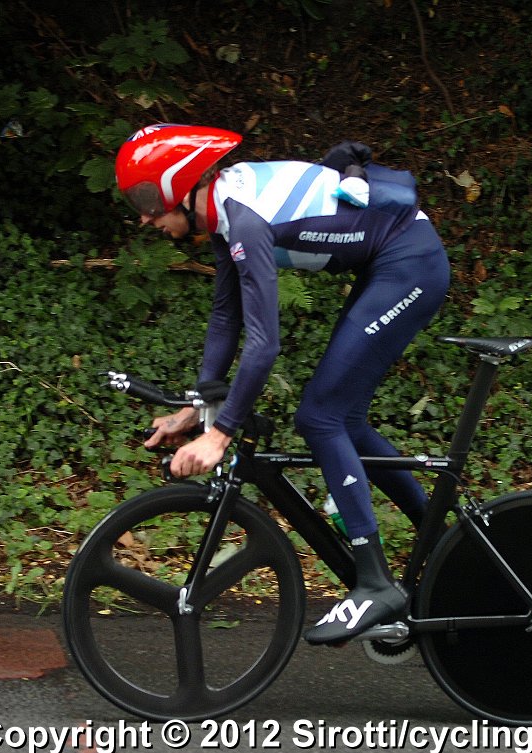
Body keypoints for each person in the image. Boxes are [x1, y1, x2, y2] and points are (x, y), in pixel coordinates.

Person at [117, 123, 449, 644]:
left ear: (177, 185)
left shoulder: (242, 221)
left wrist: (220, 433)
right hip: (394, 259)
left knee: (320, 417)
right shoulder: (226, 217)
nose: (142, 216)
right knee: (343, 420)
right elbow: (226, 319)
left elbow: (264, 345)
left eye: (145, 199)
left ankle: (375, 582)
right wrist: (196, 410)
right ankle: (443, 540)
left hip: (410, 264)